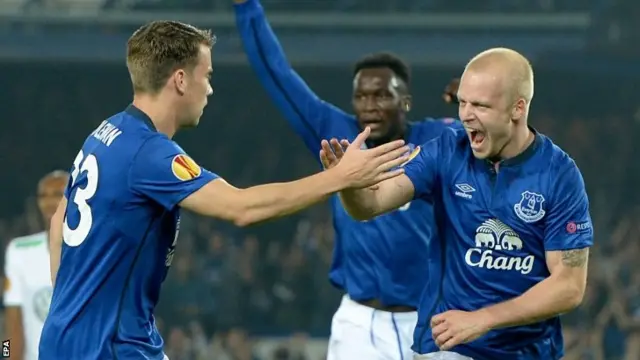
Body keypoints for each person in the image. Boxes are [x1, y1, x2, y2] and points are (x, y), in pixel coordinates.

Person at [38, 20, 409, 360]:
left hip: (65, 338)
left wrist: (71, 307)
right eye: (207, 75)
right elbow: (241, 207)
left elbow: (59, 222)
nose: (211, 88)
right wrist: (339, 177)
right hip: (111, 348)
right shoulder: (148, 152)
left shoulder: (105, 133)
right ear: (181, 80)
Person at [321, 47, 592, 360]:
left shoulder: (559, 175)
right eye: (463, 102)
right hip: (452, 349)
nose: (465, 114)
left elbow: (569, 286)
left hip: (530, 352)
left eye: (480, 105)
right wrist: (347, 183)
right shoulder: (446, 151)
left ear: (517, 109)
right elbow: (369, 205)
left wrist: (484, 319)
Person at [234, 0, 459, 358]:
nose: (370, 104)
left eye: (383, 95)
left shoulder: (441, 138)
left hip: (439, 320)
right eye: (361, 96)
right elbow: (279, 77)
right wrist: (247, 8)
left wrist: (473, 100)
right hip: (361, 325)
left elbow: (498, 135)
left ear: (406, 102)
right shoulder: (337, 134)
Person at [3, 171, 68, 360]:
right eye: (43, 196)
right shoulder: (19, 251)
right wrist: (5, 355)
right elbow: (12, 322)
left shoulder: (96, 253)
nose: (48, 203)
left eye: (57, 195)